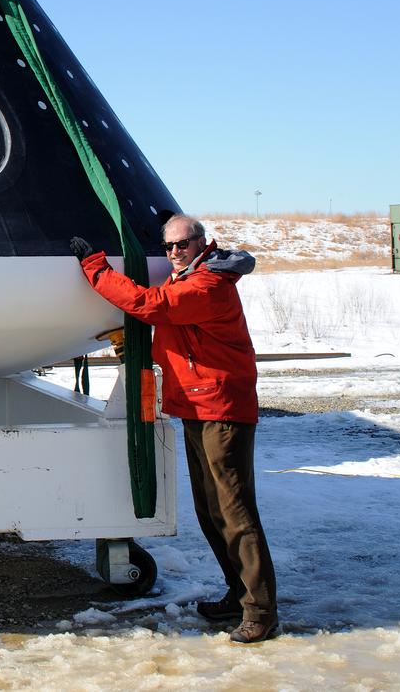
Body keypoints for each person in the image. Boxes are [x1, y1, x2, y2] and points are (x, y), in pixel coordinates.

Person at [68, 215, 279, 644]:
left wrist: (95, 267)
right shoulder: (187, 279)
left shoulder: (208, 285)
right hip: (198, 407)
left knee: (235, 513)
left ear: (201, 242)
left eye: (182, 244)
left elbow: (154, 306)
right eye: (168, 247)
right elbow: (168, 321)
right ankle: (239, 597)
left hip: (221, 408)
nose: (174, 252)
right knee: (211, 511)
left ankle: (261, 612)